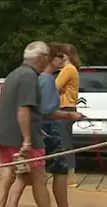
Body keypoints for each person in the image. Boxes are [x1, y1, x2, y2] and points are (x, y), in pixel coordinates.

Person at [0, 41, 79, 207]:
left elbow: (36, 110)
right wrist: (28, 140)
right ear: (40, 58)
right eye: (47, 56)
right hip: (21, 136)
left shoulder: (14, 74)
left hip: (5, 135)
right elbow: (24, 109)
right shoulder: (30, 77)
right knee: (39, 176)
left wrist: (69, 115)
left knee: (7, 175)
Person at [56, 43, 82, 187]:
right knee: (65, 142)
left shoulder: (68, 69)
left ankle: (70, 177)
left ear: (67, 55)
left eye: (61, 53)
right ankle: (67, 175)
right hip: (69, 108)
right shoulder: (72, 69)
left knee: (64, 144)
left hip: (65, 108)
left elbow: (55, 86)